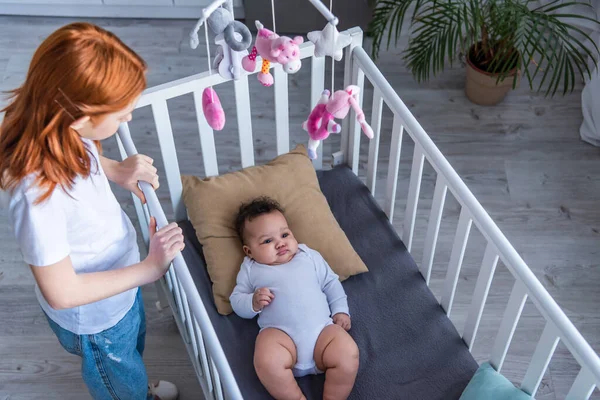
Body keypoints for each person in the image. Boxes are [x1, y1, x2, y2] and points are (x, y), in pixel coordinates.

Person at [0, 22, 183, 400]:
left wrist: (114, 170)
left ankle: (132, 380)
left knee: (132, 347)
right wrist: (149, 269)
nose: (128, 120)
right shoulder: (39, 197)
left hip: (119, 283)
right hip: (96, 319)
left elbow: (88, 154)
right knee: (119, 377)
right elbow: (62, 292)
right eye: (120, 116)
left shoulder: (60, 124)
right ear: (81, 117)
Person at [230, 197, 359, 400]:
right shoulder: (250, 269)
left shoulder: (308, 256)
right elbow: (236, 300)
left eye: (284, 234)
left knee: (348, 353)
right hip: (282, 338)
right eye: (267, 240)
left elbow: (331, 283)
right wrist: (252, 302)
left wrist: (341, 310)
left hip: (323, 334)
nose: (280, 243)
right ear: (250, 251)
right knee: (266, 361)